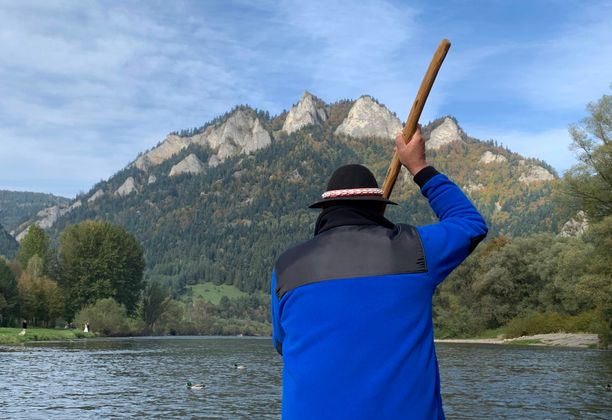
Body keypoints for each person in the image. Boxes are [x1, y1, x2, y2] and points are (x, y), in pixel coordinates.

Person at [271, 127, 488, 419]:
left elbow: (283, 344)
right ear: (378, 209)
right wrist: (419, 167)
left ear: (325, 212)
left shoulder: (286, 267)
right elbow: (470, 223)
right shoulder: (414, 250)